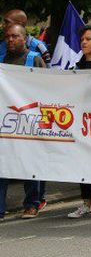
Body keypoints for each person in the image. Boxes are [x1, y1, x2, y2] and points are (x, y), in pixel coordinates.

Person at [0, 24, 45, 220]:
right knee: (3, 164)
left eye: (15, 36)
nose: (10, 40)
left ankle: (32, 203)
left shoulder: (34, 59)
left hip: (29, 121)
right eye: (7, 37)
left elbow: (48, 88)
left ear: (25, 38)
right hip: (6, 120)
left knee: (29, 163)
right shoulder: (1, 60)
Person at [67, 26, 91, 218]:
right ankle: (87, 203)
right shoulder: (77, 67)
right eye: (82, 39)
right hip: (83, 121)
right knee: (83, 162)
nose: (83, 42)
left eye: (88, 39)